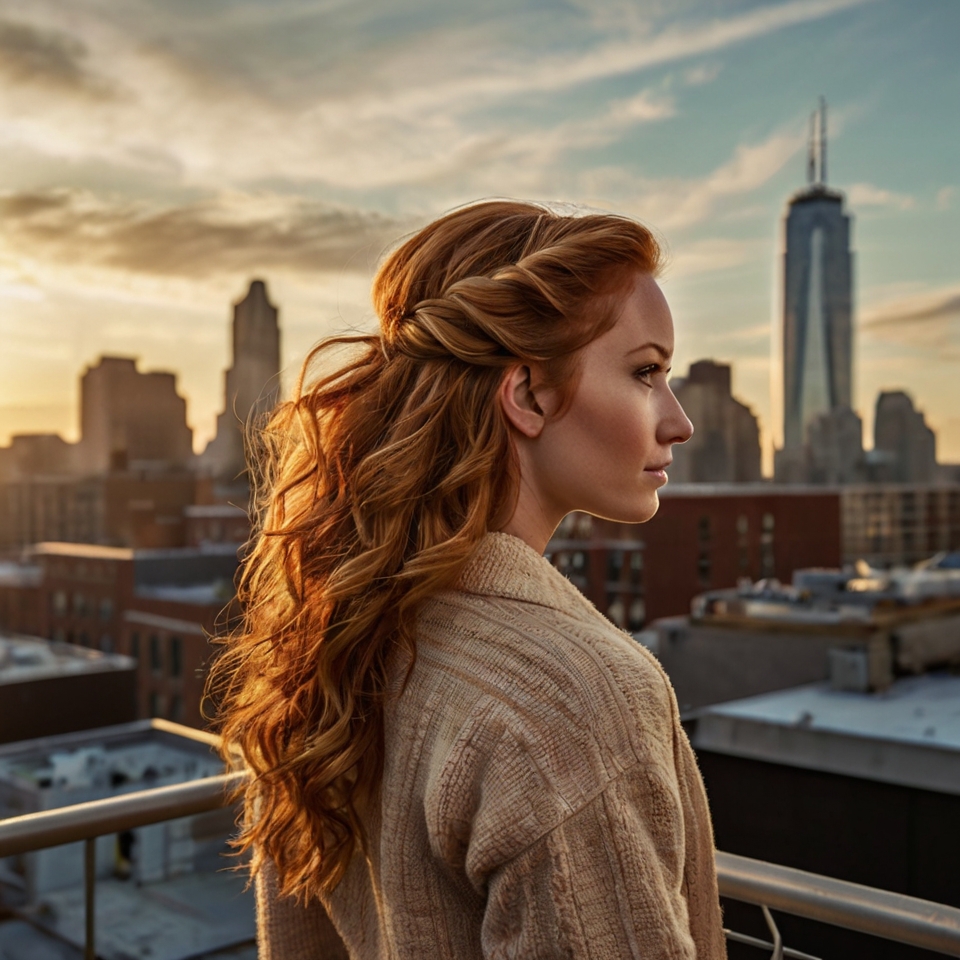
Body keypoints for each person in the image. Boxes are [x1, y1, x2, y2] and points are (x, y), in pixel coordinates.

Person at [211, 199, 727, 959]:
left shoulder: (332, 637)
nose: (678, 421)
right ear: (525, 394)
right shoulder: (579, 700)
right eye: (645, 372)